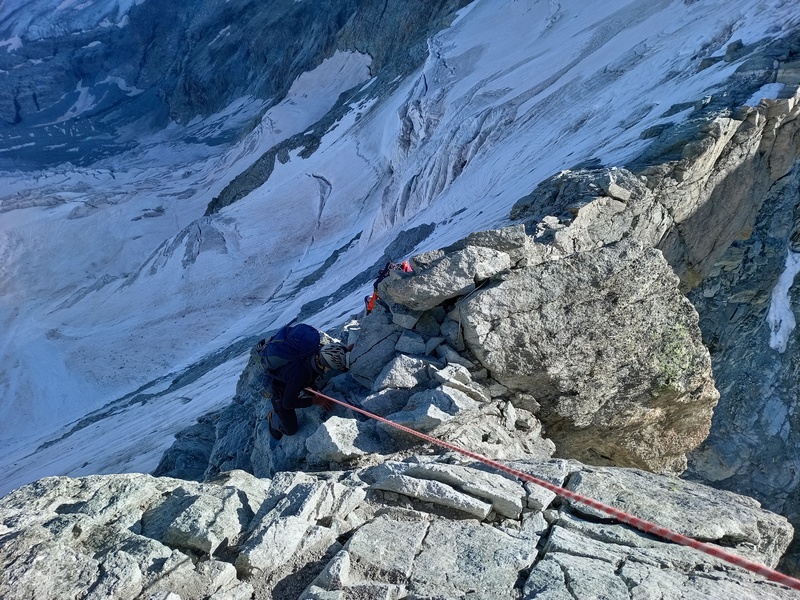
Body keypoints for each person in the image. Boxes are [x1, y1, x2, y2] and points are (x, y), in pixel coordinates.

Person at [265, 339, 351, 440]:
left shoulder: (318, 352)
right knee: (290, 430)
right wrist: (316, 401)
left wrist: (346, 350)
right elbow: (287, 403)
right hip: (278, 387)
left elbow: (308, 377)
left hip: (291, 376)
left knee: (306, 384)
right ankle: (273, 416)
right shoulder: (301, 375)